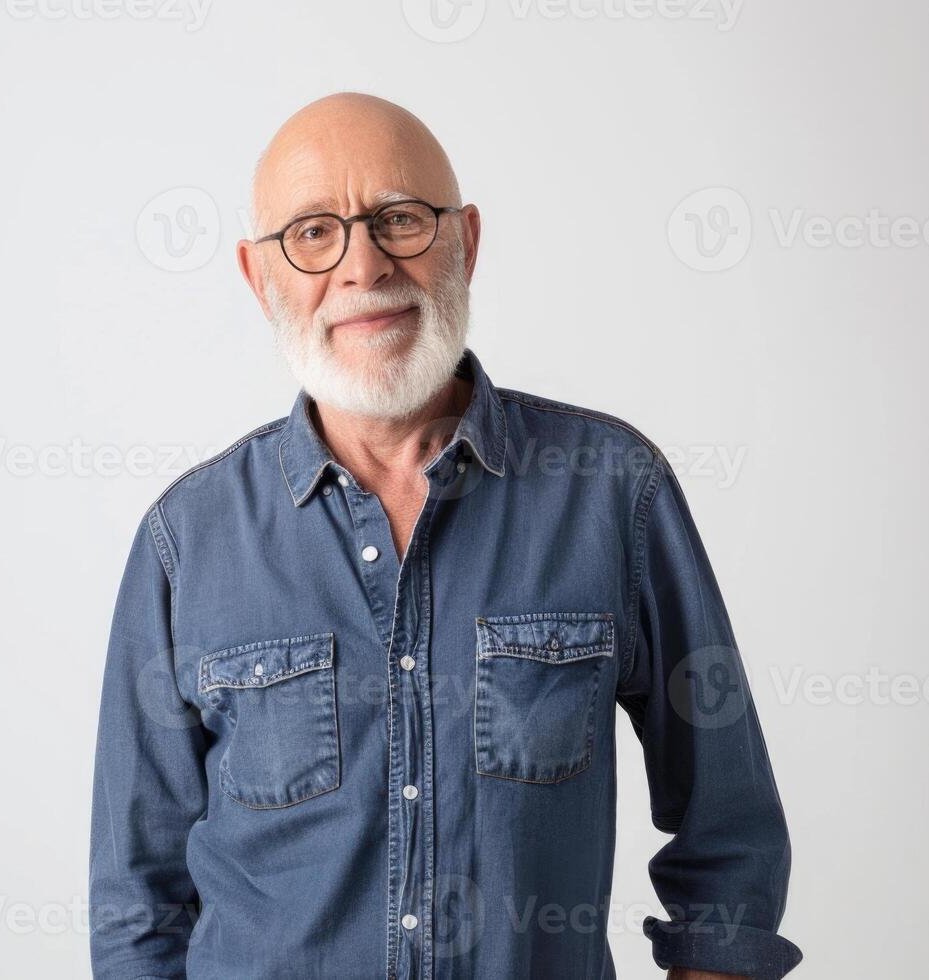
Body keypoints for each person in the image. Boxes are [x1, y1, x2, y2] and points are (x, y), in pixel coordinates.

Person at [88, 92, 801, 980]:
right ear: (256, 274)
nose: (362, 266)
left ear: (464, 239)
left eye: (399, 219)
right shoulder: (184, 543)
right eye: (313, 232)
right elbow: (135, 905)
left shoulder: (614, 492)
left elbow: (729, 832)